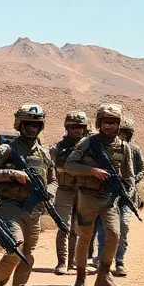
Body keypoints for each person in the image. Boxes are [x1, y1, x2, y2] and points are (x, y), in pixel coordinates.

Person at [0, 104, 56, 286]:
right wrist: (12, 173)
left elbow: (54, 180)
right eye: (27, 124)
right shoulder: (7, 150)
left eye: (36, 125)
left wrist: (49, 192)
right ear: (19, 124)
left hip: (33, 210)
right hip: (10, 206)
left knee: (28, 256)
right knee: (16, 248)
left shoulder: (44, 153)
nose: (32, 128)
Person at [61, 102, 132, 286]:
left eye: (113, 122)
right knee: (85, 237)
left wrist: (127, 191)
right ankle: (80, 278)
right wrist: (92, 171)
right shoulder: (88, 143)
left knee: (114, 235)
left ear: (119, 123)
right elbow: (69, 165)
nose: (109, 126)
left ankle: (104, 275)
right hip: (88, 197)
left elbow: (129, 176)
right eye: (105, 122)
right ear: (99, 122)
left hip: (109, 199)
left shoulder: (123, 147)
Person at [97, 113, 144, 275]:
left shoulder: (134, 150)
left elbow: (142, 170)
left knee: (123, 227)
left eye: (125, 133)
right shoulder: (105, 148)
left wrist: (130, 181)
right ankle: (102, 260)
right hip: (106, 195)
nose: (122, 135)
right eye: (120, 132)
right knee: (104, 229)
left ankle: (119, 262)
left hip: (127, 197)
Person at [50, 111, 89, 274]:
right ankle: (62, 262)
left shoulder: (90, 146)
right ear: (67, 128)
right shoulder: (58, 148)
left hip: (83, 191)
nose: (77, 130)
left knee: (78, 229)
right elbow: (52, 168)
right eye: (73, 127)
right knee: (63, 226)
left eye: (80, 127)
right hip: (64, 190)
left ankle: (72, 261)